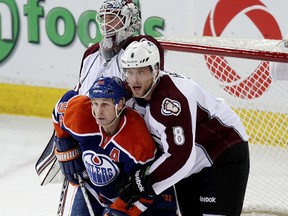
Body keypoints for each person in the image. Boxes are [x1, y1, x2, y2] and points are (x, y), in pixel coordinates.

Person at [116, 38, 250, 216]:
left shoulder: (170, 101)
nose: (134, 79)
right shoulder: (131, 95)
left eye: (141, 72)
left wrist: (145, 182)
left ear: (155, 70)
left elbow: (180, 158)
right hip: (192, 160)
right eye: (130, 72)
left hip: (223, 152)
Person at [53, 76, 178, 215]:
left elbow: (144, 191)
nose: (98, 111)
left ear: (120, 104)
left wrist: (117, 212)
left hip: (146, 201)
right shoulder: (82, 115)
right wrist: (65, 147)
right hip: (95, 192)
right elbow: (59, 109)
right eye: (95, 103)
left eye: (105, 104)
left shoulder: (136, 138)